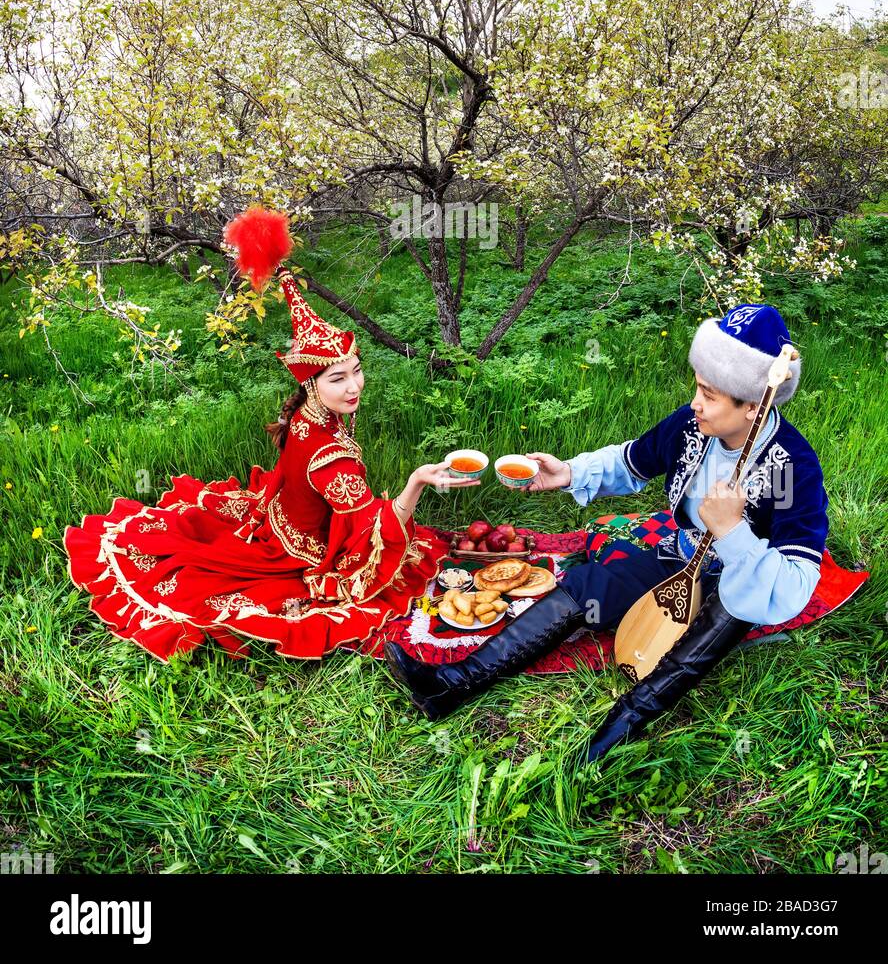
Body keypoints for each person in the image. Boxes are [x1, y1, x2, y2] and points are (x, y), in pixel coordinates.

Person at [384, 303, 828, 763]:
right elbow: (634, 458)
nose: (695, 402)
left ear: (753, 405)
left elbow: (797, 579)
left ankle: (619, 728)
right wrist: (569, 473)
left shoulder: (791, 467)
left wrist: (733, 532)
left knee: (722, 616)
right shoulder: (693, 426)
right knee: (588, 584)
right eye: (698, 387)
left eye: (709, 394)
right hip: (681, 555)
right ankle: (455, 683)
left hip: (742, 580)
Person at [64, 265, 479, 662]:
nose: (354, 386)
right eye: (338, 378)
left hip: (282, 516)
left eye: (356, 370)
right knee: (407, 569)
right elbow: (370, 533)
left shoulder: (303, 413)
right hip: (303, 551)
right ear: (310, 383)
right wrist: (416, 484)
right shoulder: (333, 463)